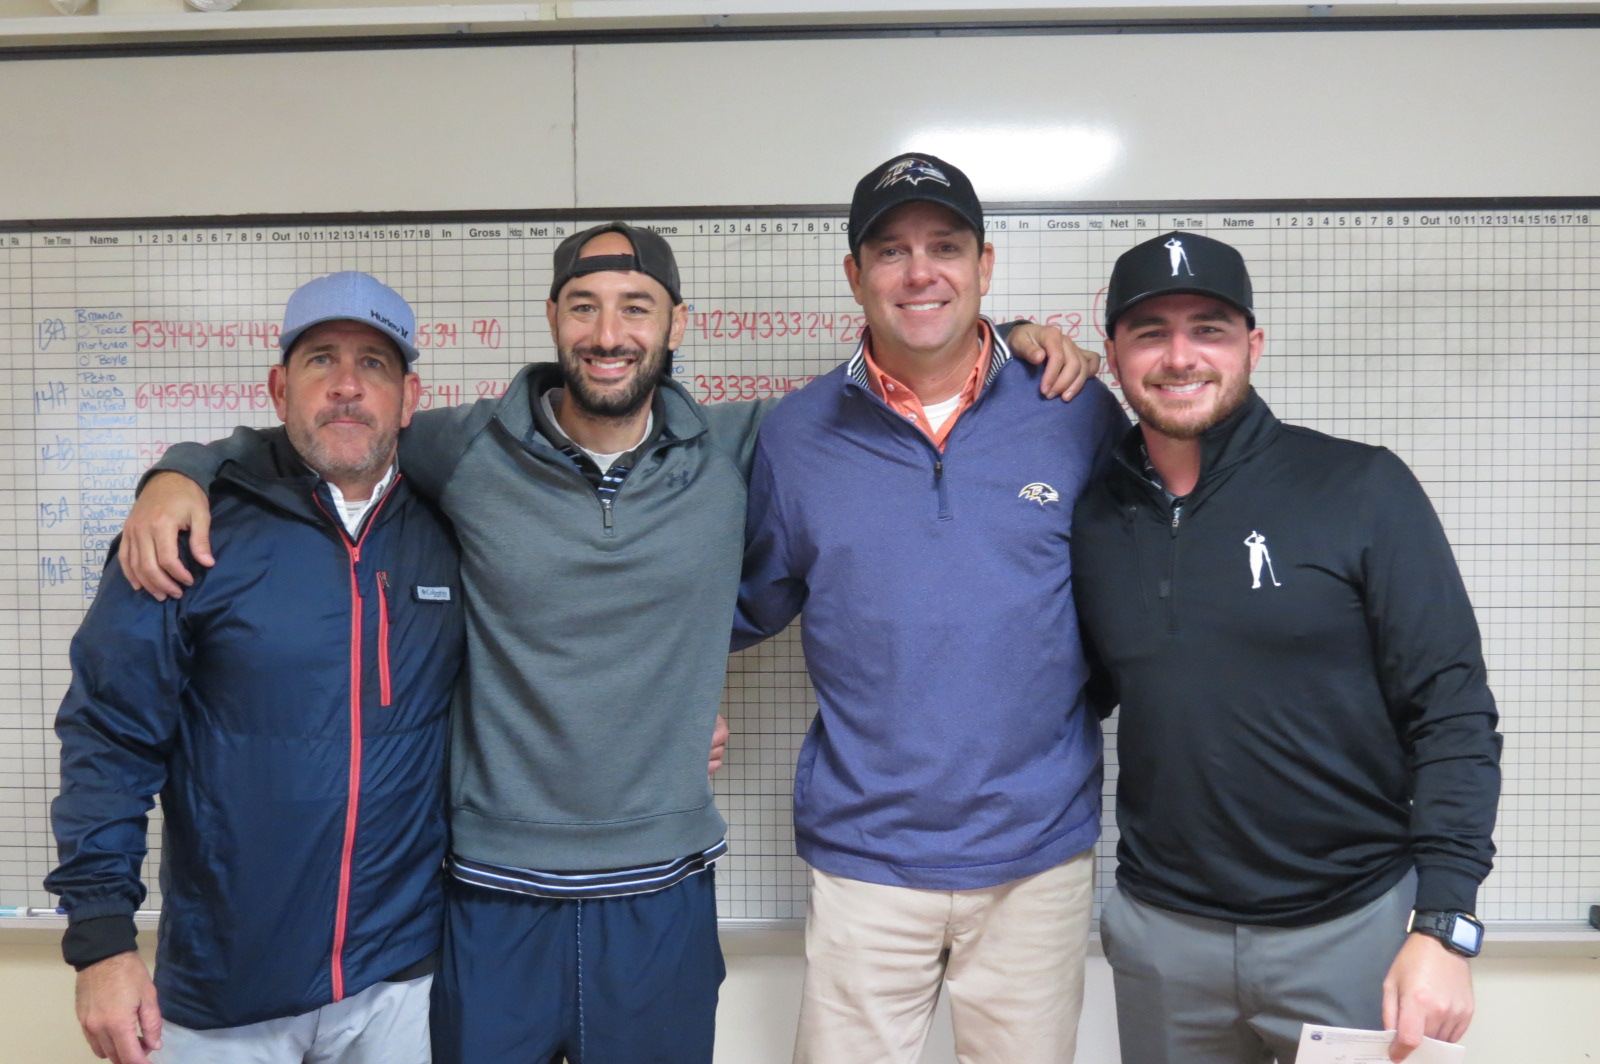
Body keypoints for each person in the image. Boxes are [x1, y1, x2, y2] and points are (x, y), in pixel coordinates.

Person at [115, 220, 1103, 1063]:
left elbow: (884, 396)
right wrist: (184, 466)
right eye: (583, 305)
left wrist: (1004, 339)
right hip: (491, 898)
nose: (608, 332)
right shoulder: (463, 447)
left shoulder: (741, 445)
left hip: (661, 894)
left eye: (636, 306)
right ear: (554, 322)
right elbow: (331, 428)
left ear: (675, 325)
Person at [1071, 231, 1502, 1064]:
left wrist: (1446, 926)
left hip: (1352, 931)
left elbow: (1452, 713)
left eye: (1210, 328)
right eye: (1150, 331)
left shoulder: (1360, 486)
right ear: (1115, 354)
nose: (1180, 355)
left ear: (1252, 345)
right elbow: (1068, 692)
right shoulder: (1093, 517)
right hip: (1162, 938)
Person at [734, 153, 1128, 1064]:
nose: (921, 272)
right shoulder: (796, 435)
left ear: (985, 267)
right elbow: (742, 604)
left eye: (945, 247)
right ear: (855, 277)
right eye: (892, 251)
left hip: (1037, 853)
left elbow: (1137, 590)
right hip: (866, 858)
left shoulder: (1073, 409)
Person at [46, 271, 464, 1064]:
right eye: (321, 361)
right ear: (280, 388)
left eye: (374, 364)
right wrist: (101, 943)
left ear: (410, 399)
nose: (347, 386)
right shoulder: (189, 535)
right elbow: (108, 733)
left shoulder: (453, 528)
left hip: (400, 982)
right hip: (224, 994)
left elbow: (555, 640)